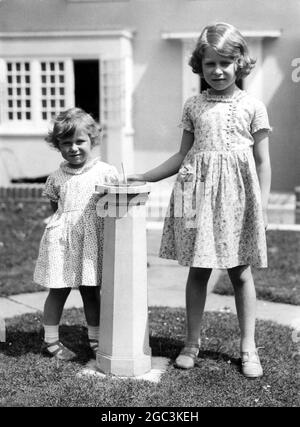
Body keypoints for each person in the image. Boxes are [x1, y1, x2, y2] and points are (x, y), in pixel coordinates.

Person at [128, 22, 271, 378]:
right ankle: (191, 343)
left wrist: (263, 207)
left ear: (240, 63)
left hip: (239, 198)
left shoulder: (253, 106)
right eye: (210, 64)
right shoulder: (193, 105)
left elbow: (263, 162)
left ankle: (248, 347)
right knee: (198, 269)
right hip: (197, 195)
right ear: (199, 65)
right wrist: (145, 176)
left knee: (240, 272)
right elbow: (182, 156)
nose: (218, 71)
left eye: (225, 62)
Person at [34, 108, 119, 360]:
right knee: (58, 289)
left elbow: (113, 206)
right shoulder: (56, 177)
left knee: (91, 289)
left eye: (79, 141)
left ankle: (96, 339)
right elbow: (57, 208)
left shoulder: (106, 172)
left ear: (92, 140)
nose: (73, 148)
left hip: (92, 240)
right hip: (62, 239)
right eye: (66, 143)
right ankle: (50, 341)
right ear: (57, 145)